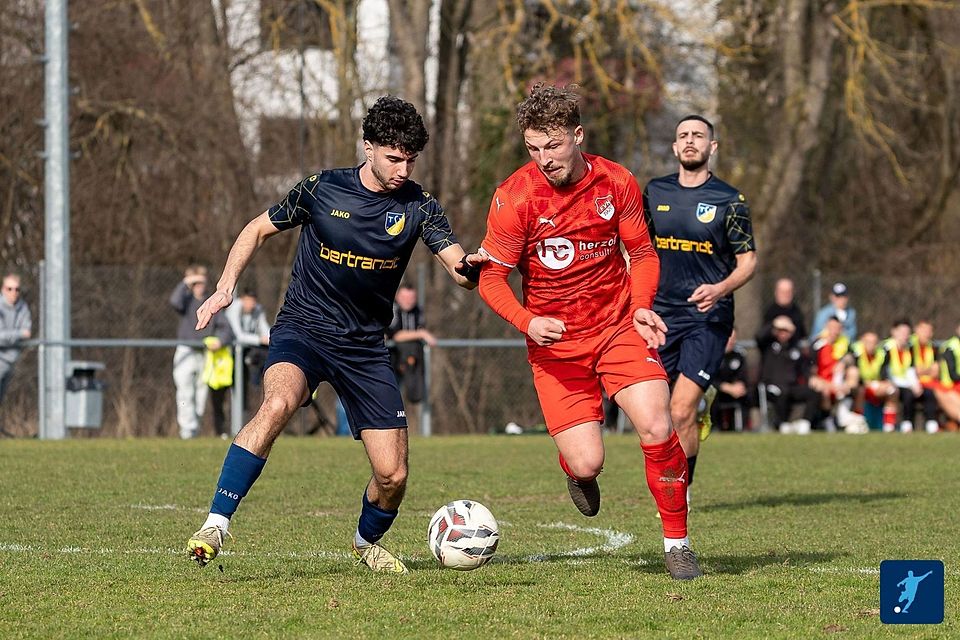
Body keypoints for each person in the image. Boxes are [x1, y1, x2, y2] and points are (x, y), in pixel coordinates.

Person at [184, 96, 482, 574]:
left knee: (393, 474)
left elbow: (458, 267)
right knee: (277, 404)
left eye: (411, 160)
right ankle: (215, 524)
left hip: (364, 348)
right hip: (303, 329)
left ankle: (366, 543)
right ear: (368, 147)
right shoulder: (322, 189)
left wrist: (471, 268)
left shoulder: (419, 206)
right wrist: (225, 287)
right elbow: (257, 229)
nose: (403, 169)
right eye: (394, 158)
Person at [477, 84, 701, 579]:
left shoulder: (616, 181)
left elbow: (642, 254)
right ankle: (575, 472)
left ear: (577, 136)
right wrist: (528, 321)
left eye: (553, 145)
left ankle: (677, 543)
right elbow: (491, 278)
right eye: (533, 148)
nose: (544, 159)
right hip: (556, 346)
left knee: (657, 424)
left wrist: (640, 308)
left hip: (618, 326)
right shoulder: (516, 196)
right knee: (586, 463)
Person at [643, 114, 757, 503]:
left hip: (708, 318)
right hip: (659, 316)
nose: (690, 140)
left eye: (698, 135)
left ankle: (681, 492)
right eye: (683, 136)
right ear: (675, 147)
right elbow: (637, 249)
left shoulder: (730, 200)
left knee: (680, 411)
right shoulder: (654, 192)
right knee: (656, 414)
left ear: (713, 147)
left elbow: (748, 261)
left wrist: (720, 288)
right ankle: (700, 405)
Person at [170, 266, 234, 439]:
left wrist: (220, 340)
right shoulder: (186, 301)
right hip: (185, 351)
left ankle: (194, 429)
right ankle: (187, 430)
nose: (199, 286)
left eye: (201, 282)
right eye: (195, 283)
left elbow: (226, 329)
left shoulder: (211, 303)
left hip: (205, 354)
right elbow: (175, 301)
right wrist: (186, 282)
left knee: (200, 393)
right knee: (185, 391)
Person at [385, 283, 436, 430]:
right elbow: (395, 335)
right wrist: (421, 334)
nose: (408, 301)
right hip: (389, 360)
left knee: (408, 395)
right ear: (398, 297)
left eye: (411, 298)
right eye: (405, 298)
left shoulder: (418, 311)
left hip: (409, 361)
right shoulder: (392, 309)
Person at [756, 315, 819, 434]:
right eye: (781, 330)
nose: (783, 334)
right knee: (781, 392)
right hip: (772, 386)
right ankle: (782, 424)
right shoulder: (768, 346)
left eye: (786, 331)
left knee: (813, 393)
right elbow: (759, 336)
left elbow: (804, 368)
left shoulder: (795, 348)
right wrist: (775, 323)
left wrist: (811, 378)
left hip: (791, 386)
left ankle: (805, 423)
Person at [880, 319, 937, 433]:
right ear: (894, 332)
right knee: (895, 391)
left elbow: (910, 369)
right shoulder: (886, 348)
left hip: (904, 383)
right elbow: (883, 370)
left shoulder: (908, 348)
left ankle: (920, 423)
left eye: (907, 333)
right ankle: (889, 424)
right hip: (887, 382)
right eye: (902, 332)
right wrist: (890, 381)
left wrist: (915, 384)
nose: (905, 336)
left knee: (922, 392)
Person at [807, 316, 861, 431]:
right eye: (832, 328)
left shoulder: (845, 342)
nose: (834, 331)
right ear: (826, 328)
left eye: (837, 328)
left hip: (840, 381)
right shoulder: (818, 343)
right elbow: (811, 368)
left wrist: (843, 362)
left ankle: (845, 414)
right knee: (823, 389)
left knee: (854, 372)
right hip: (823, 381)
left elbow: (854, 358)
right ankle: (828, 419)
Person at [225, 289, 271, 413]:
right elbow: (239, 336)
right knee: (234, 386)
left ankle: (258, 380)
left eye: (253, 302)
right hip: (231, 352)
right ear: (242, 300)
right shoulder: (234, 309)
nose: (251, 305)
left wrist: (272, 339)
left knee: (266, 353)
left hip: (248, 348)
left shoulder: (258, 309)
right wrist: (260, 339)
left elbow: (265, 329)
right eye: (248, 301)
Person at [850, 331, 897, 431]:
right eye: (868, 342)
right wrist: (868, 384)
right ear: (862, 342)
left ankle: (889, 425)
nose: (871, 345)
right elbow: (854, 374)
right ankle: (858, 423)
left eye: (874, 342)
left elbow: (885, 374)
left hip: (876, 386)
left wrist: (884, 383)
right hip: (862, 386)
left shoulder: (882, 354)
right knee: (860, 391)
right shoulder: (856, 352)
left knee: (893, 391)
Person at [0, 273, 32, 411]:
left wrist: (8, 337)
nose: (13, 292)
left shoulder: (22, 307)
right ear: (3, 289)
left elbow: (27, 331)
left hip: (11, 361)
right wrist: (19, 334)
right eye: (9, 289)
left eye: (17, 289)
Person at [711, 329, 750, 431]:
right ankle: (715, 427)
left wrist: (740, 385)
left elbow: (743, 375)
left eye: (733, 339)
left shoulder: (739, 356)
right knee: (711, 394)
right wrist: (725, 387)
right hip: (716, 391)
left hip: (734, 391)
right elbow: (709, 379)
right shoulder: (711, 356)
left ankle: (743, 427)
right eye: (728, 338)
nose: (730, 341)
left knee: (748, 393)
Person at [910, 319, 940, 433]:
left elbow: (936, 371)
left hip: (930, 383)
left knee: (935, 391)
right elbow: (914, 370)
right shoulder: (910, 345)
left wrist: (923, 370)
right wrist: (928, 370)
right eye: (924, 330)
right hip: (912, 382)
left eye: (929, 331)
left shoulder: (933, 347)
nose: (927, 333)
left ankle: (934, 423)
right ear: (916, 330)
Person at [762, 277, 807, 343]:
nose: (785, 295)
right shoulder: (769, 311)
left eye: (788, 292)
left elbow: (802, 335)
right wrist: (775, 325)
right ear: (776, 292)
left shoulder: (796, 311)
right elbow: (761, 337)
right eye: (782, 292)